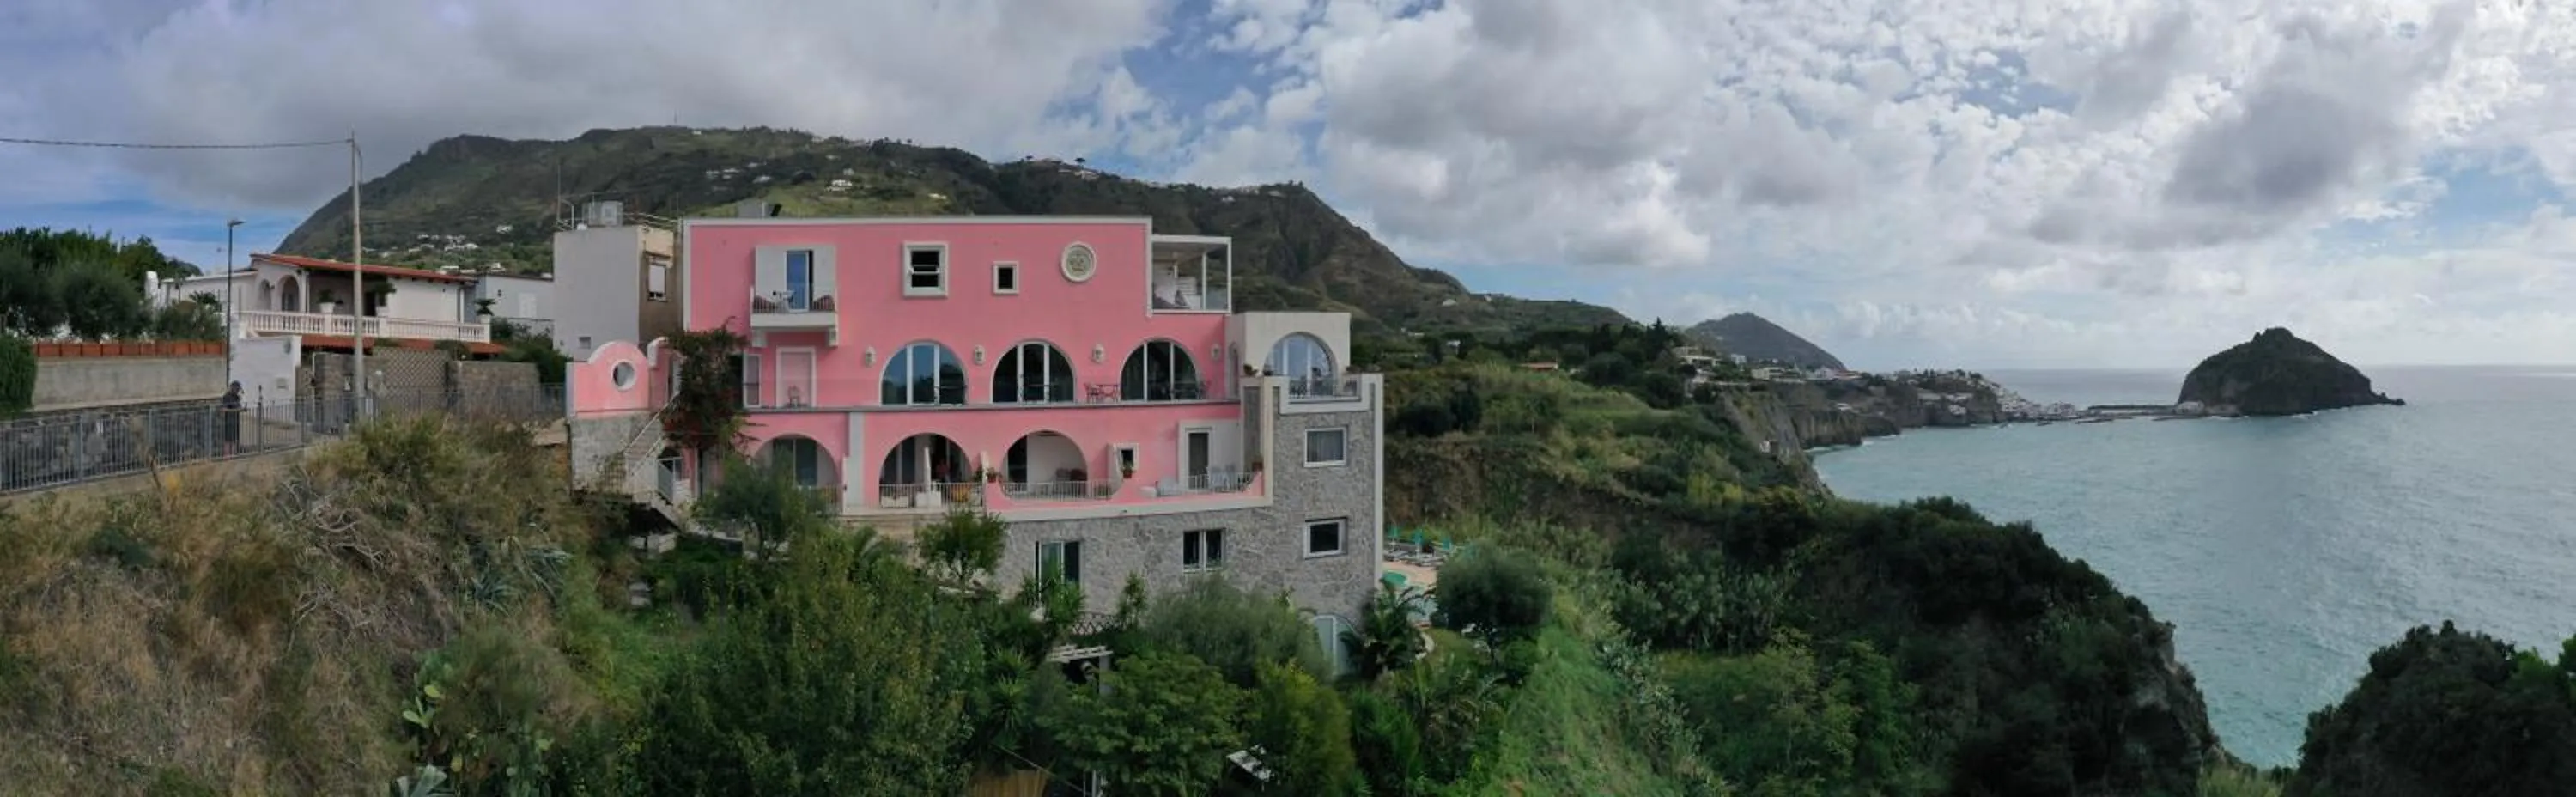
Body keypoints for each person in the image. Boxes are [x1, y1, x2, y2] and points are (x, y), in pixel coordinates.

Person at [219, 381, 244, 456]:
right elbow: (223, 408)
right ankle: (227, 454)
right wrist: (233, 410)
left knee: (234, 438)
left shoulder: (236, 397)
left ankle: (233, 453)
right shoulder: (226, 396)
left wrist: (242, 409)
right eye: (237, 389)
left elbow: (238, 406)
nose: (238, 391)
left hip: (235, 419)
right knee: (227, 438)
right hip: (228, 420)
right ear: (233, 388)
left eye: (238, 389)